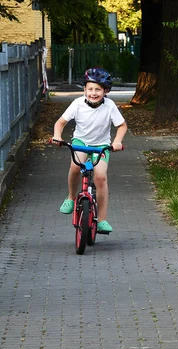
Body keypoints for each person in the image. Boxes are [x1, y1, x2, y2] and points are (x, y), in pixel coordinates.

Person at [52, 67, 128, 234]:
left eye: (98, 89)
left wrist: (117, 141)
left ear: (105, 91)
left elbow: (121, 126)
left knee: (100, 177)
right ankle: (71, 198)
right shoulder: (77, 104)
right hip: (81, 142)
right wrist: (57, 136)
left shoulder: (109, 106)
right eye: (90, 89)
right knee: (75, 166)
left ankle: (101, 219)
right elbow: (60, 123)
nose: (94, 93)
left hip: (102, 145)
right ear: (84, 89)